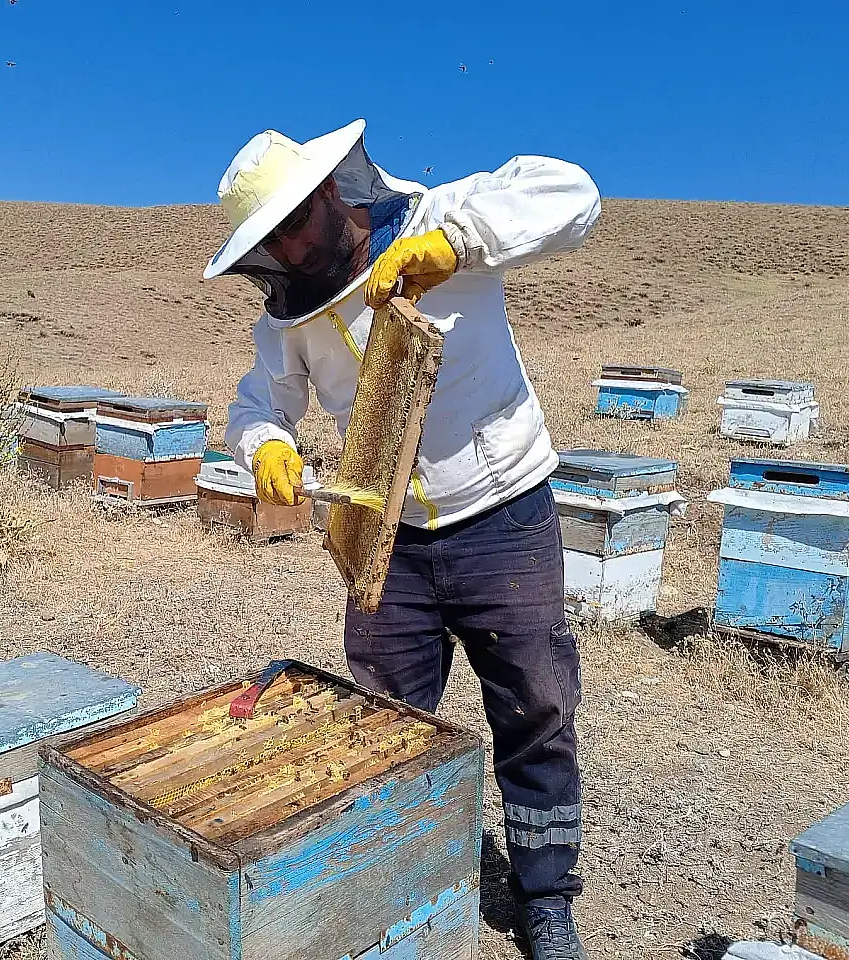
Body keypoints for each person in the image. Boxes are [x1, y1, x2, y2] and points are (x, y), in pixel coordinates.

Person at [202, 119, 601, 960]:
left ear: (332, 192)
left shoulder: (443, 216)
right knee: (384, 720)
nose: (289, 250)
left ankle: (545, 896)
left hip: (503, 517)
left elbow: (575, 195)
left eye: (294, 225)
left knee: (536, 706)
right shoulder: (289, 320)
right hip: (386, 540)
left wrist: (458, 244)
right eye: (269, 243)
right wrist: (265, 445)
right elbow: (255, 407)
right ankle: (403, 879)